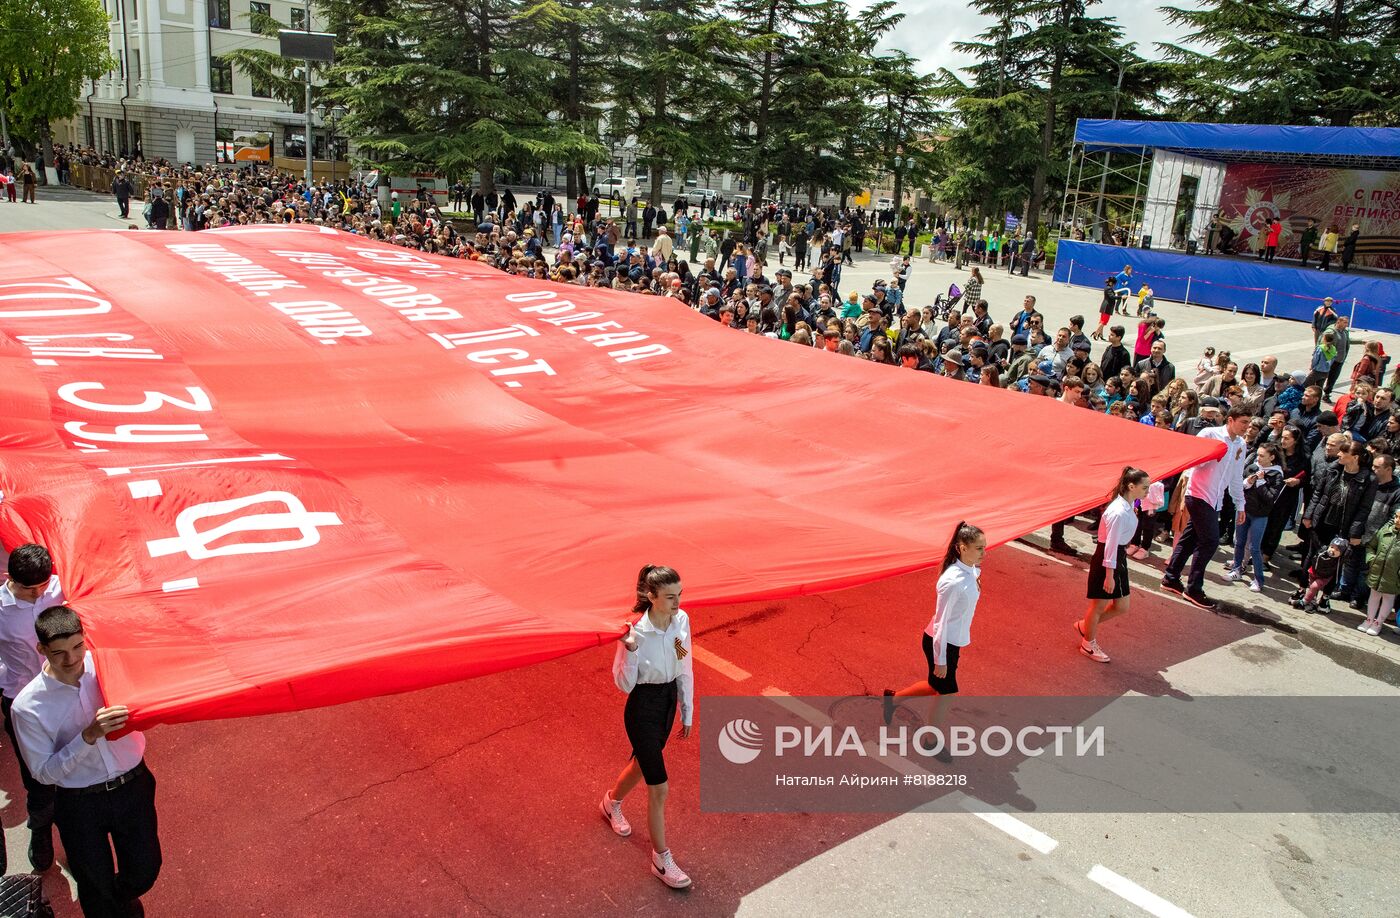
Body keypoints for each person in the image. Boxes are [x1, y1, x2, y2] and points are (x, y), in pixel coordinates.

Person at [12, 605, 161, 917]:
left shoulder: (111, 664)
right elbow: (43, 773)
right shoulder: (27, 707)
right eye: (59, 652)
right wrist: (88, 736)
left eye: (78, 646)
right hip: (79, 805)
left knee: (145, 870)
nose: (72, 659)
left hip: (133, 786)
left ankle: (119, 900)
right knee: (95, 890)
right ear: (41, 649)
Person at [603, 564, 694, 889]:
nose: (677, 603)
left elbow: (683, 662)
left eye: (680, 595)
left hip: (668, 702)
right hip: (642, 706)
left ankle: (611, 802)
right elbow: (625, 685)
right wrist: (630, 649)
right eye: (670, 597)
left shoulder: (680, 622)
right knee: (660, 787)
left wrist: (687, 709)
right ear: (651, 596)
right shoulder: (636, 633)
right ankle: (661, 859)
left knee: (642, 766)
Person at [883, 522, 986, 730]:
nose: (984, 552)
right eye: (979, 548)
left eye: (984, 547)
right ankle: (932, 740)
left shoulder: (971, 570)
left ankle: (893, 699)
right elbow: (940, 623)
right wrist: (940, 660)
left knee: (934, 686)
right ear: (963, 547)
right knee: (947, 693)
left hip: (951, 641)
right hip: (941, 642)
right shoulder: (953, 581)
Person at [1, 544, 63, 870]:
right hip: (22, 702)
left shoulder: (56, 587)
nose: (39, 593)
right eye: (30, 589)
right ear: (12, 579)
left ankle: (74, 831)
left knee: (75, 764)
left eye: (43, 585)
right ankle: (40, 830)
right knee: (37, 775)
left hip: (64, 695)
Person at [1162, 405, 1252, 608]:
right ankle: (1193, 588)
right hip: (1198, 494)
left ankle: (1171, 577)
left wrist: (1240, 504)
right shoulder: (1210, 433)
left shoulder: (1240, 444)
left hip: (1216, 499)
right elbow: (1193, 461)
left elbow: (1236, 477)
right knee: (1210, 541)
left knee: (1190, 538)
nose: (1246, 427)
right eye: (1243, 422)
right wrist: (1212, 456)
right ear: (1231, 420)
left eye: (1248, 423)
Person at [1078, 468, 1151, 663]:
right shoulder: (1119, 511)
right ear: (1131, 486)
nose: (1148, 491)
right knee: (1099, 605)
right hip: (1108, 558)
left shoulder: (1127, 506)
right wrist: (1109, 574)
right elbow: (1110, 544)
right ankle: (1088, 643)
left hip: (1118, 557)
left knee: (1122, 605)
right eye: (1145, 487)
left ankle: (1085, 626)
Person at [1227, 443, 1285, 592]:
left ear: (1272, 457)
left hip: (1260, 515)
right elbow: (1239, 486)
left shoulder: (1276, 474)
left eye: (1262, 456)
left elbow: (1271, 498)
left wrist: (1260, 482)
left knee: (1254, 547)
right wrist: (1248, 482)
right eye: (1257, 454)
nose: (1258, 458)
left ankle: (1259, 580)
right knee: (1239, 542)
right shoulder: (1252, 467)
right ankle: (1236, 570)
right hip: (1244, 510)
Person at [1361, 507, 1400, 635]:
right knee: (1374, 594)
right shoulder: (1385, 530)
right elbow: (1371, 546)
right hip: (1377, 571)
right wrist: (1371, 559)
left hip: (1393, 576)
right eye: (1396, 517)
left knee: (1388, 597)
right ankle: (1369, 619)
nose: (1397, 520)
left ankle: (1379, 622)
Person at [1290, 538, 1347, 614]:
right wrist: (1311, 528)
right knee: (1312, 588)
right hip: (1313, 573)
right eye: (1332, 547)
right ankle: (1311, 600)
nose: (1332, 550)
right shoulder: (1323, 550)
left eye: (1337, 549)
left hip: (1324, 577)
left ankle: (1304, 602)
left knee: (1314, 587)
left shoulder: (1341, 559)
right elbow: (1316, 541)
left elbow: (1349, 552)